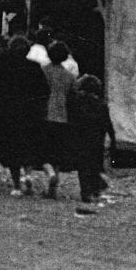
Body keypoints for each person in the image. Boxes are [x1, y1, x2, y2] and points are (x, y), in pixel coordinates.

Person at [0, 35, 50, 196]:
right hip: (30, 113)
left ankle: (16, 185)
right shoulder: (34, 67)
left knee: (13, 151)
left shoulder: (4, 67)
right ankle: (28, 175)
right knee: (28, 147)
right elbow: (44, 91)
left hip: (10, 114)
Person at [67, 74, 115, 203]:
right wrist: (112, 139)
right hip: (97, 140)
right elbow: (107, 124)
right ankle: (95, 190)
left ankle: (86, 192)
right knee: (95, 166)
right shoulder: (101, 105)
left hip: (81, 138)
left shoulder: (77, 103)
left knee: (83, 167)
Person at [39, 40, 77, 198]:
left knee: (43, 152)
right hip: (63, 115)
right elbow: (72, 96)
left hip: (47, 113)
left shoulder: (43, 71)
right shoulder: (69, 76)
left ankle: (49, 174)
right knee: (57, 153)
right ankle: (53, 189)